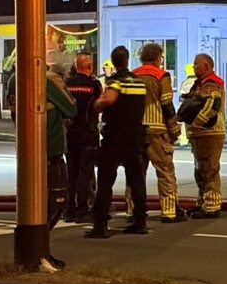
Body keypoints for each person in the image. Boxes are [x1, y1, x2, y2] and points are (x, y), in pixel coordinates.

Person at [84, 46, 149, 238]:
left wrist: (97, 105)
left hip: (115, 136)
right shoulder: (139, 82)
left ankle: (100, 224)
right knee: (136, 179)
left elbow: (109, 100)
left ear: (113, 61)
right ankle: (140, 221)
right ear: (127, 60)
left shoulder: (117, 82)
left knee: (105, 179)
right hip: (135, 135)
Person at [131, 43, 186, 223]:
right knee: (165, 171)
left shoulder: (133, 75)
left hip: (136, 131)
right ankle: (169, 211)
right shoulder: (161, 76)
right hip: (157, 130)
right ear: (157, 58)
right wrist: (175, 129)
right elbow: (167, 105)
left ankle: (133, 210)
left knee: (136, 173)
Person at [185, 53, 226, 218]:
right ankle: (203, 203)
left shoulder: (211, 83)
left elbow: (212, 106)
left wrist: (197, 122)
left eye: (197, 65)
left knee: (209, 169)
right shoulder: (200, 84)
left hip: (209, 132)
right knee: (201, 169)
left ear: (206, 66)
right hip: (201, 134)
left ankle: (211, 206)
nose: (194, 67)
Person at [45, 63, 77, 269]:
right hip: (52, 150)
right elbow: (71, 107)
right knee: (57, 202)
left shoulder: (16, 79)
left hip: (31, 152)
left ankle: (40, 251)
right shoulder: (49, 80)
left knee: (39, 203)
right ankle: (41, 251)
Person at [65, 54, 102, 223]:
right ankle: (82, 209)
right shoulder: (94, 85)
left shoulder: (67, 84)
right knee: (85, 172)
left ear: (76, 66)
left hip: (70, 132)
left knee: (71, 171)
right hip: (88, 133)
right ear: (90, 67)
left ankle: (69, 210)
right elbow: (98, 108)